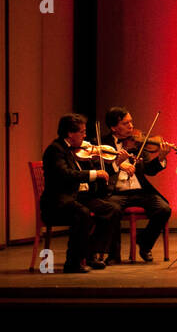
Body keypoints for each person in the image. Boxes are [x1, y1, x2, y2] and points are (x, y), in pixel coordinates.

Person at [40, 113, 122, 273]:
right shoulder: (55, 150)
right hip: (58, 202)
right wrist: (93, 174)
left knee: (112, 209)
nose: (85, 136)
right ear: (70, 134)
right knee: (82, 214)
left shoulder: (79, 150)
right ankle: (72, 263)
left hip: (78, 198)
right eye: (82, 132)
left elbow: (93, 170)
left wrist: (105, 170)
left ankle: (90, 254)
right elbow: (66, 174)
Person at [97, 108, 173, 263]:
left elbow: (149, 170)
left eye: (131, 122)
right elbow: (100, 170)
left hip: (140, 192)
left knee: (164, 209)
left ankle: (144, 243)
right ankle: (114, 254)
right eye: (125, 123)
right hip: (115, 193)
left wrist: (160, 158)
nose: (131, 126)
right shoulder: (102, 144)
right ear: (113, 127)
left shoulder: (138, 143)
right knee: (113, 209)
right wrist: (118, 163)